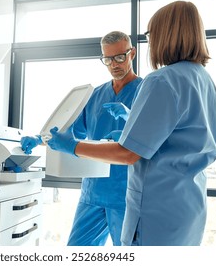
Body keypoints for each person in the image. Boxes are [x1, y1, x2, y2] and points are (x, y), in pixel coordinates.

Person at [47, 1, 216, 246]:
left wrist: (72, 147)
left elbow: (128, 152)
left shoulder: (161, 80)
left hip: (154, 206)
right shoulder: (204, 80)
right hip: (186, 205)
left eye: (151, 34)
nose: (151, 41)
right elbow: (182, 135)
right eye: (108, 59)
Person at [21, 31, 143, 246]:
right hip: (93, 191)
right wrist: (40, 139)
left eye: (120, 57)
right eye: (108, 59)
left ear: (132, 53)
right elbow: (69, 131)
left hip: (126, 193)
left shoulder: (145, 91)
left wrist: (129, 117)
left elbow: (152, 138)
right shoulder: (96, 95)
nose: (114, 64)